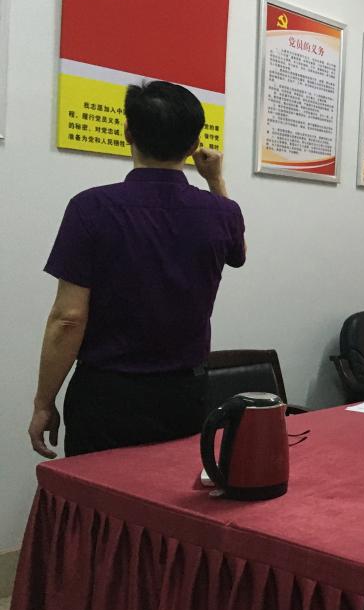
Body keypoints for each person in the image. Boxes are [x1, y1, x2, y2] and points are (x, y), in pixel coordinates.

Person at [28, 81, 245, 458]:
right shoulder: (222, 212)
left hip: (107, 395)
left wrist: (44, 402)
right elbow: (237, 251)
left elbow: (68, 318)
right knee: (168, 492)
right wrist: (215, 179)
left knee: (97, 493)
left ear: (127, 131)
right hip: (186, 394)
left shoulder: (91, 208)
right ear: (194, 145)